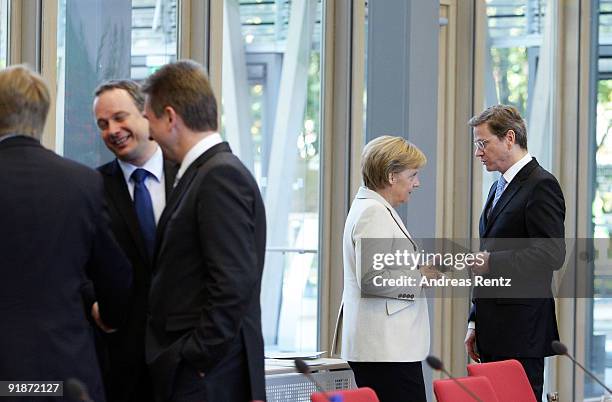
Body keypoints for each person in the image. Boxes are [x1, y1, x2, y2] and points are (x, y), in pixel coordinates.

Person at [0, 65, 132, 402]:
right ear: (42, 116)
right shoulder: (81, 182)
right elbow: (116, 274)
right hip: (63, 374)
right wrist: (110, 315)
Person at [142, 60, 266, 402]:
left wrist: (196, 356)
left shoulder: (218, 176)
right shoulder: (204, 172)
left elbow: (233, 281)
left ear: (170, 117)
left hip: (209, 377)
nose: (148, 134)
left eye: (148, 120)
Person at [464, 105, 565, 400]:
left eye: (483, 143)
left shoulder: (541, 185)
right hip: (493, 329)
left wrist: (493, 262)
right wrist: (475, 321)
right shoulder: (499, 187)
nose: (478, 152)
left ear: (509, 138)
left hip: (522, 333)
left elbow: (551, 253)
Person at [92, 80, 178, 402]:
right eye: (103, 124)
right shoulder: (91, 187)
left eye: (119, 117)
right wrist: (94, 305)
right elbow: (79, 261)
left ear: (145, 114)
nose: (112, 130)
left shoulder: (189, 176)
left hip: (183, 353)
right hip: (119, 358)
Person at [338, 135, 439, 402]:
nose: (417, 183)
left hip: (386, 349)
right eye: (413, 174)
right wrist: (419, 277)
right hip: (385, 351)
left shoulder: (373, 207)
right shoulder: (374, 212)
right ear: (392, 175)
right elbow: (372, 279)